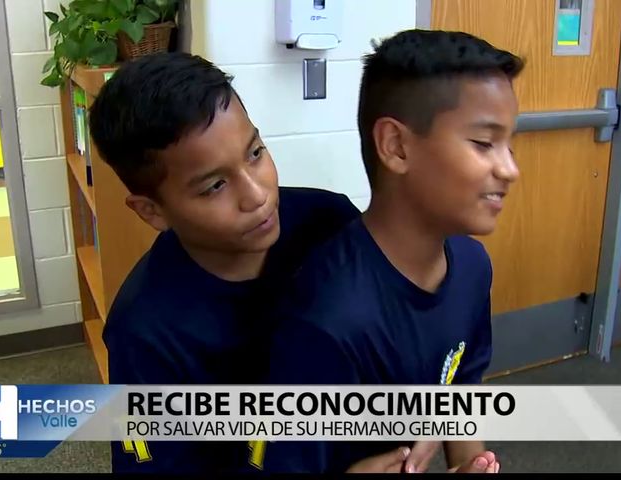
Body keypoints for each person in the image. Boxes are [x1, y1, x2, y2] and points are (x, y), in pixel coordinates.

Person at [88, 52, 369, 473]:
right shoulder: (145, 335)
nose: (257, 195)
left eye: (255, 153)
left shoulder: (330, 223)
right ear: (152, 211)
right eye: (215, 185)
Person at [259, 29, 523, 473]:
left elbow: (460, 386)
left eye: (509, 144)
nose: (510, 169)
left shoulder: (473, 267)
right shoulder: (326, 321)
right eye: (483, 143)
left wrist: (471, 464)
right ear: (396, 146)